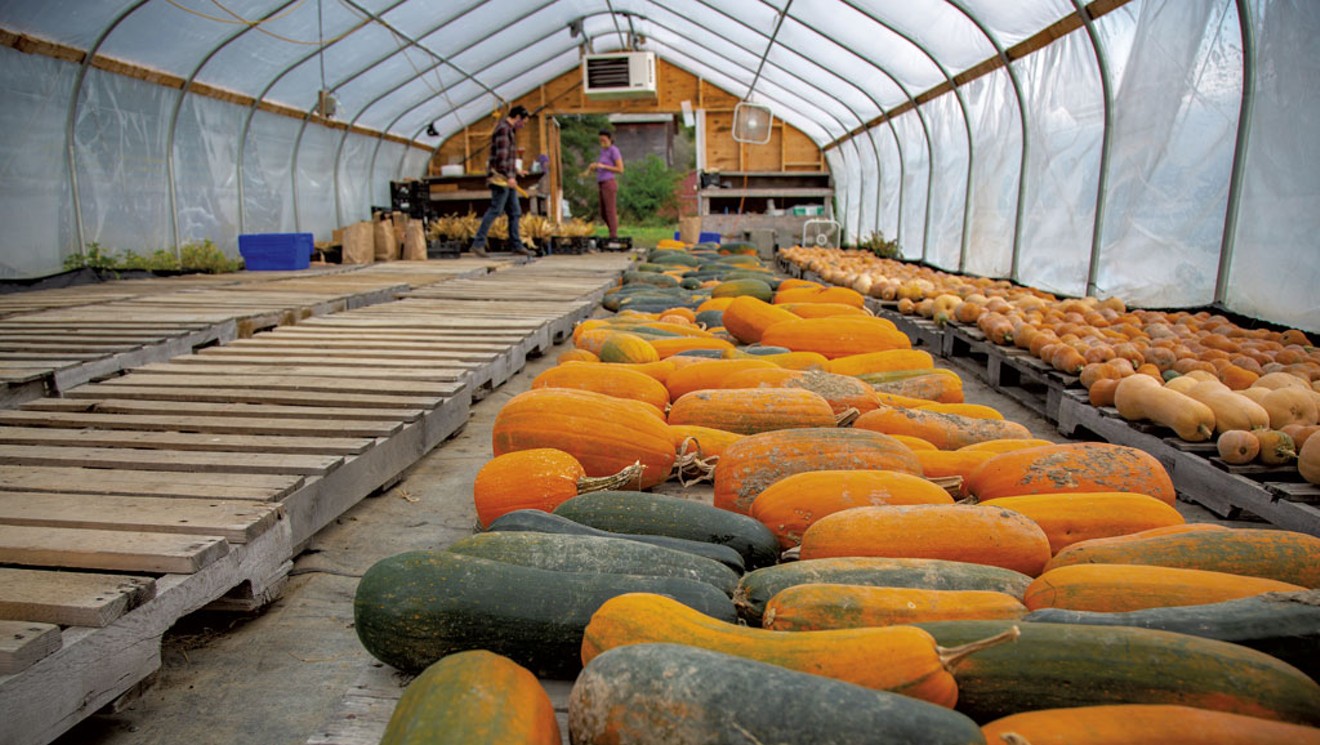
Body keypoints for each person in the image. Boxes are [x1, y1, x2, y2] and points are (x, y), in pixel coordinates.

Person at [470, 105, 535, 258]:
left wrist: (516, 171)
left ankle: (516, 245)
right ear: (517, 117)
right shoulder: (504, 130)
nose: (523, 126)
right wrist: (510, 176)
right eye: (523, 122)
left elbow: (506, 157)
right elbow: (500, 158)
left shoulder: (509, 130)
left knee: (515, 212)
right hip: (500, 179)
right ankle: (478, 244)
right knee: (495, 210)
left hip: (507, 177)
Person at [587, 130, 624, 241]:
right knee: (603, 211)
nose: (602, 142)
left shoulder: (614, 150)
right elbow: (602, 166)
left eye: (604, 140)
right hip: (601, 182)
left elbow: (620, 169)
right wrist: (595, 167)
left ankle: (613, 235)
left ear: (610, 139)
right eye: (600, 140)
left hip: (609, 182)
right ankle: (611, 231)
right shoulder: (603, 151)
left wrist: (603, 166)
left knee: (610, 210)